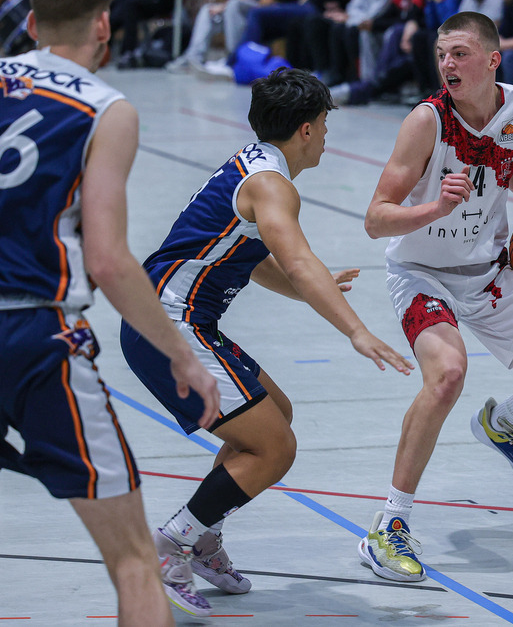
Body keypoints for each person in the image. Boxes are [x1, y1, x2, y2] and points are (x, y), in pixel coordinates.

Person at [0, 0, 221, 626]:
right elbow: (107, 260)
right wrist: (181, 354)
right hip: (30, 334)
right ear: (105, 24)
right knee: (135, 559)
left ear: (29, 20)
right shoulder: (107, 109)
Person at [120, 67, 412, 614]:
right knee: (275, 447)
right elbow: (299, 262)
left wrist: (308, 290)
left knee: (276, 412)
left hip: (180, 320)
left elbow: (250, 259)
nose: (327, 134)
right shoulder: (271, 184)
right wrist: (357, 331)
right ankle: (170, 545)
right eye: (324, 123)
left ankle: (202, 540)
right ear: (305, 128)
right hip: (166, 324)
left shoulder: (254, 167)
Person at [359, 11, 513, 582]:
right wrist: (435, 208)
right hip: (422, 273)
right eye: (443, 54)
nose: (448, 64)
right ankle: (388, 525)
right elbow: (375, 219)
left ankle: (505, 422)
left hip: (488, 271)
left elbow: (510, 166)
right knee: (447, 376)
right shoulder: (426, 123)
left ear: (493, 60)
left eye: (460, 53)